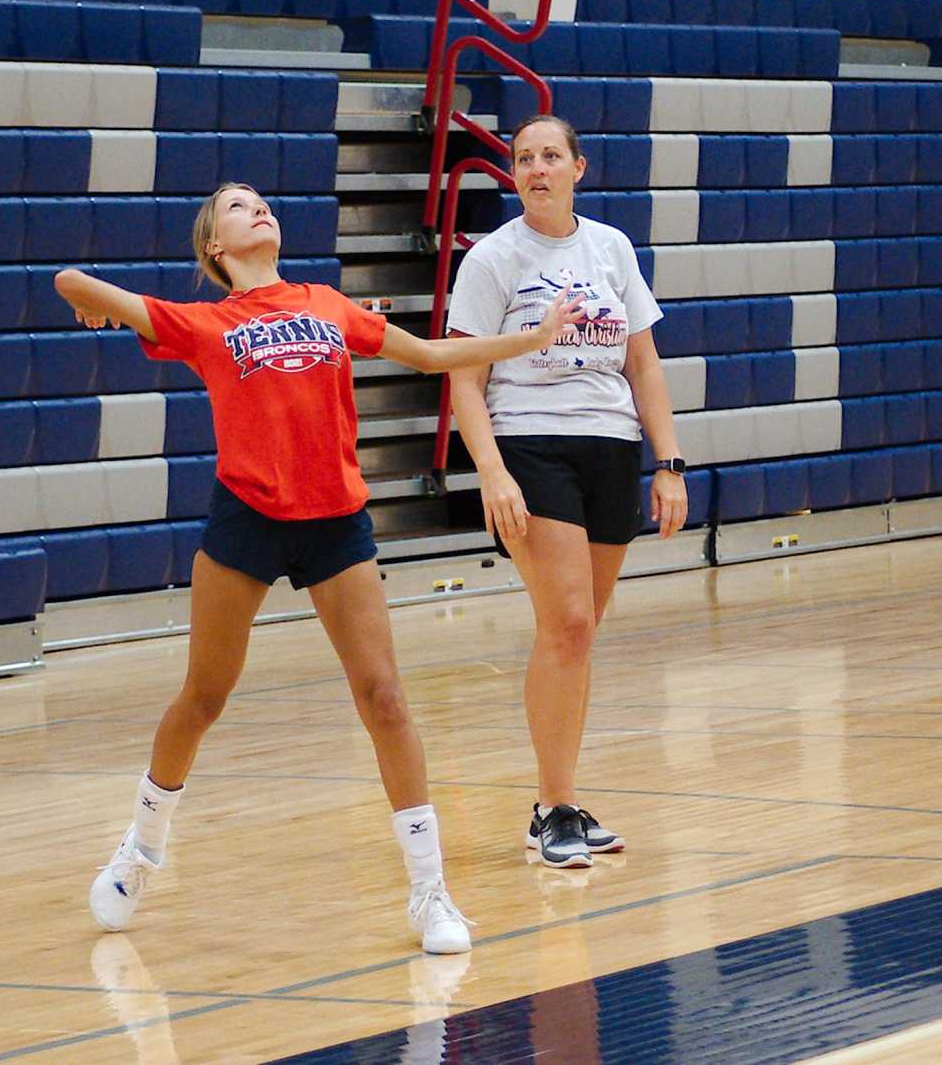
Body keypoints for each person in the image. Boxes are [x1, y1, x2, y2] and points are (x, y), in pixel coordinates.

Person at [57, 181, 584, 953]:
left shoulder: (330, 304)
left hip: (335, 520)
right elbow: (70, 280)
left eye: (263, 202)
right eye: (238, 207)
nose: (259, 209)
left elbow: (434, 355)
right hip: (247, 520)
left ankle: (430, 891)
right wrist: (96, 301)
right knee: (204, 695)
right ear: (215, 246)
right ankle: (140, 849)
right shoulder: (205, 322)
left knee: (386, 697)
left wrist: (529, 341)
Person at [445, 114, 689, 870]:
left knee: (578, 638)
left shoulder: (612, 248)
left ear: (578, 167)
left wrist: (669, 461)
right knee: (570, 622)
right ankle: (552, 806)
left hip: (611, 448)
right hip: (530, 445)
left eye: (551, 155)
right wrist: (491, 470)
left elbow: (643, 362)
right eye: (524, 158)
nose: (537, 168)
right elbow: (463, 376)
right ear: (513, 174)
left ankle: (562, 799)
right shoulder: (491, 259)